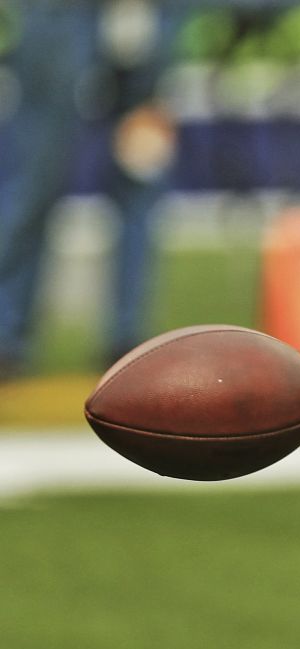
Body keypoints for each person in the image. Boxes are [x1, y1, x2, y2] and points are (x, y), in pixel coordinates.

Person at [0, 0, 180, 379]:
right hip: (61, 13)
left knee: (141, 169)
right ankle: (7, 334)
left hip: (147, 12)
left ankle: (130, 341)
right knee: (34, 179)